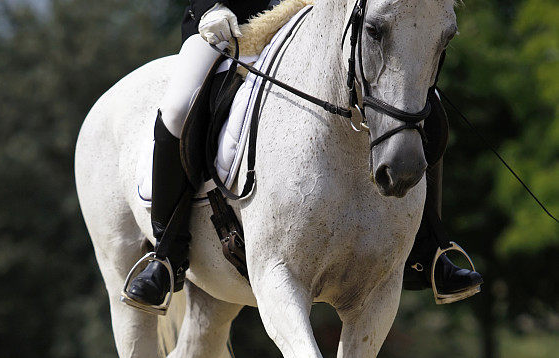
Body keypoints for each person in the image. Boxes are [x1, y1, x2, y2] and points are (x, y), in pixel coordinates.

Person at [123, 1, 482, 314]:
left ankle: (429, 249)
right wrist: (209, 7)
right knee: (177, 110)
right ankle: (167, 255)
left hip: (318, 20)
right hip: (231, 25)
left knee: (422, 105)